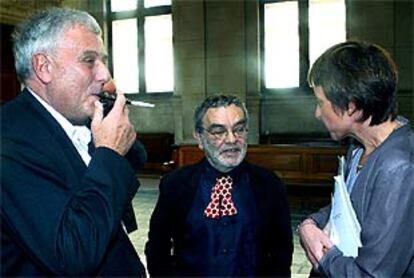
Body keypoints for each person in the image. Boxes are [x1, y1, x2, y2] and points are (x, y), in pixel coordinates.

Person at [1, 8, 147, 276]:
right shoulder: (9, 141)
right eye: (89, 60)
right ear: (44, 67)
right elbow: (72, 254)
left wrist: (114, 122)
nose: (105, 74)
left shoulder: (75, 117)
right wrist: (109, 153)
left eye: (103, 60)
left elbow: (137, 158)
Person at [298, 41, 414, 277]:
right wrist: (309, 224)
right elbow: (347, 207)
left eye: (321, 102)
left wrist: (323, 256)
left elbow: (371, 275)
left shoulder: (398, 168)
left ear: (350, 107)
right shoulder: (360, 148)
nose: (317, 113)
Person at [145, 95, 293, 277]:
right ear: (199, 137)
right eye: (218, 132)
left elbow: (281, 253)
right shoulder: (175, 185)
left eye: (239, 129)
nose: (232, 139)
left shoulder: (269, 185)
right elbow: (158, 248)